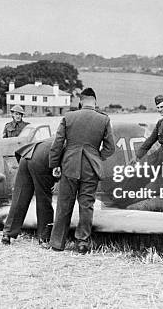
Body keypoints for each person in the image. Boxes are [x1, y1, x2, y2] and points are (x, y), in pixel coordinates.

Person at [48, 88, 115, 254]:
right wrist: (96, 156)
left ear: (81, 101)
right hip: (91, 168)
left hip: (69, 165)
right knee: (86, 205)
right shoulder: (103, 119)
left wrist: (55, 164)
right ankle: (82, 243)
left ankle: (57, 243)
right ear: (95, 102)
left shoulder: (69, 117)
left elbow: (57, 144)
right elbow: (110, 147)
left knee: (64, 204)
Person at [1, 140, 56, 245]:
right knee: (44, 200)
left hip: (26, 157)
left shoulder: (55, 138)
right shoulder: (72, 144)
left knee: (19, 197)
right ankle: (44, 237)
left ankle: (7, 234)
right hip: (41, 161)